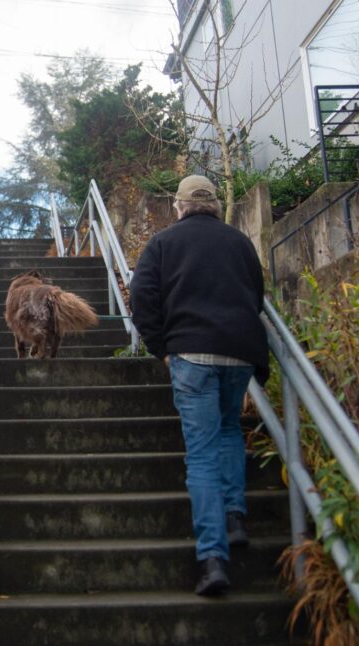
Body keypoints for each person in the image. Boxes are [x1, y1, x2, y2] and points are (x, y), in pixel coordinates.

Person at [130, 175, 269, 597]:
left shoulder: (162, 243)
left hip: (191, 354)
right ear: (214, 206)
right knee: (229, 429)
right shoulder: (240, 242)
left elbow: (141, 297)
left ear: (179, 207)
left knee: (202, 455)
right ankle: (235, 517)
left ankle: (213, 559)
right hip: (239, 353)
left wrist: (161, 348)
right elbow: (256, 294)